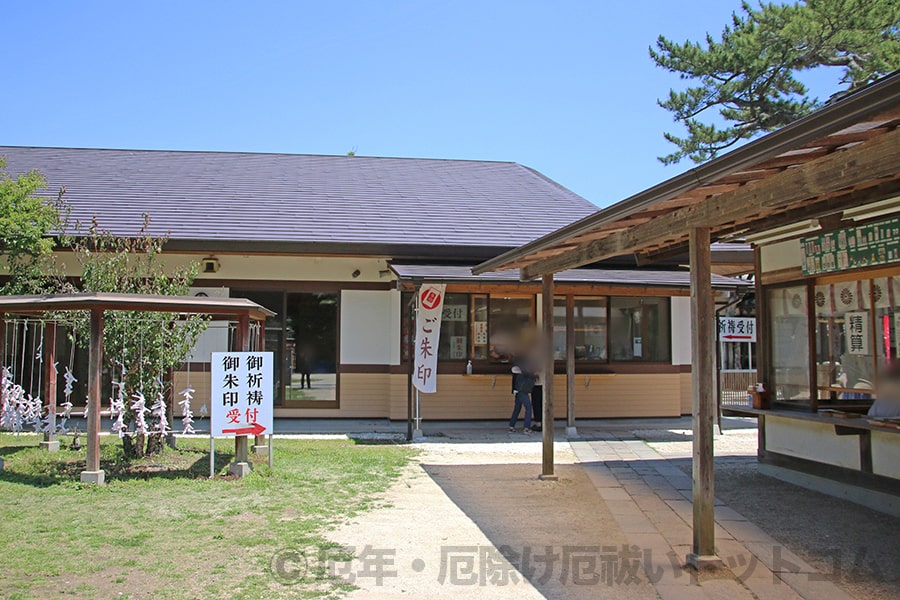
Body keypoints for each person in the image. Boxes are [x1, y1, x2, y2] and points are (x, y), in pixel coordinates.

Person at [509, 362, 534, 434]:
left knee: (517, 408)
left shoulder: (521, 369)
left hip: (518, 391)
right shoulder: (525, 370)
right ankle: (526, 428)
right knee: (528, 408)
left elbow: (514, 369)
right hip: (522, 391)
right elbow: (514, 369)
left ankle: (511, 426)